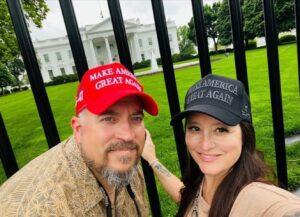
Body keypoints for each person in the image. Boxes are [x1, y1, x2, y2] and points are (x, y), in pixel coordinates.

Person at [0, 62, 158, 217]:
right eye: (109, 119)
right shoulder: (40, 209)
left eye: (136, 118)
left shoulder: (123, 158)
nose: (128, 135)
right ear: (78, 130)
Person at [142, 74, 300, 217]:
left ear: (245, 135)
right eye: (195, 128)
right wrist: (152, 159)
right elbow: (184, 197)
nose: (205, 145)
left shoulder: (257, 198)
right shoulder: (202, 182)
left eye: (221, 130)